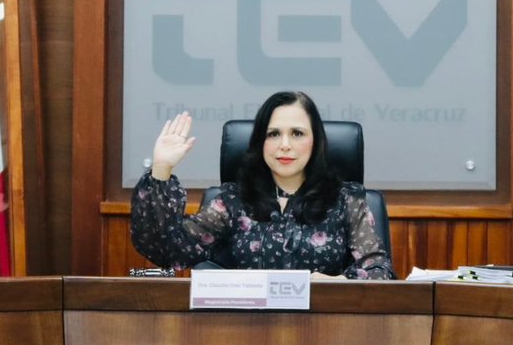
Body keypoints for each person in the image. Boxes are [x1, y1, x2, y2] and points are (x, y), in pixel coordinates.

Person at [130, 90, 394, 279]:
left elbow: (379, 270)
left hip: (325, 330)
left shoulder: (345, 200)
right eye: (273, 134)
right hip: (248, 330)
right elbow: (168, 250)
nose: (285, 145)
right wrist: (162, 169)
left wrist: (339, 283)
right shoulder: (234, 201)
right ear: (260, 142)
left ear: (316, 142)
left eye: (297, 133)